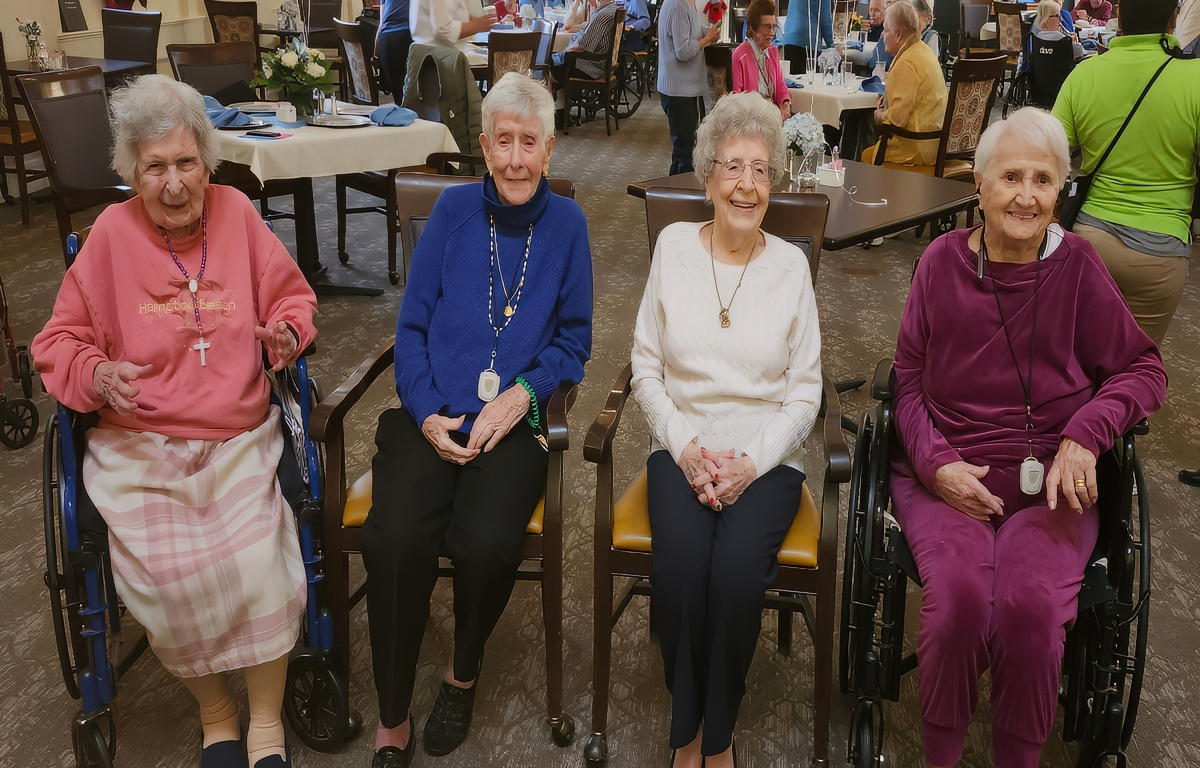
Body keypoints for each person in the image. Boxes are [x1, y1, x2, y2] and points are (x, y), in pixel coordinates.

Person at [32, 75, 317, 768]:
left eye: (185, 162)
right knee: (163, 577)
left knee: (259, 563)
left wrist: (284, 334)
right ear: (132, 169)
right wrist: (97, 374)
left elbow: (296, 302)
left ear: (206, 160)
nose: (172, 182)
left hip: (237, 433)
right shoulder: (108, 239)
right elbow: (56, 343)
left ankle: (266, 725)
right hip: (140, 443)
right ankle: (218, 713)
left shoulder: (240, 217)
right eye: (154, 166)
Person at [890, 107, 1166, 768]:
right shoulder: (939, 263)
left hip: (1052, 482)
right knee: (955, 605)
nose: (1026, 194)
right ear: (978, 185)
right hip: (950, 471)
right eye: (1010, 176)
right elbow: (904, 383)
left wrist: (1084, 435)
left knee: (1032, 614)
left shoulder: (1078, 266)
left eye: (1043, 179)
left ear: (1058, 193)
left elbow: (1144, 368)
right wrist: (938, 467)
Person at [362, 72, 592, 768]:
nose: (516, 158)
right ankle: (394, 709)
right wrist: (428, 410)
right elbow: (410, 327)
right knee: (396, 537)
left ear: (548, 149)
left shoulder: (569, 226)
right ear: (484, 147)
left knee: (488, 540)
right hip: (430, 412)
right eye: (503, 142)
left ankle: (462, 673)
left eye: (530, 142)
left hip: (510, 421)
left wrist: (523, 394)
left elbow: (574, 340)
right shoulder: (453, 213)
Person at [631, 92, 822, 768]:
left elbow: (806, 391)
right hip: (681, 444)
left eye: (762, 170)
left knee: (737, 576)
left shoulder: (791, 267)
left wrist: (751, 460)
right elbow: (645, 367)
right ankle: (688, 731)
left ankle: (720, 733)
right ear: (708, 175)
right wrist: (684, 448)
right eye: (734, 167)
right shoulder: (674, 247)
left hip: (766, 457)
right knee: (682, 572)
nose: (748, 184)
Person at [1052, 0, 1199, 347]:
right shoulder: (1195, 79)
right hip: (1160, 253)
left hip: (1090, 242)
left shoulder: (1084, 74)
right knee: (1135, 373)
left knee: (1077, 360)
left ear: (1118, 15)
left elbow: (1046, 155)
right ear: (1172, 19)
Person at [860, 1, 946, 170]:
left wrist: (879, 116)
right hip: (932, 144)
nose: (882, 35)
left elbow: (897, 120)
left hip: (915, 149)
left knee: (865, 155)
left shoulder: (907, 62)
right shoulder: (922, 50)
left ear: (898, 34)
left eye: (886, 30)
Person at [658, 0, 722, 174]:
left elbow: (688, 32)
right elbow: (683, 51)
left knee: (682, 150)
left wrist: (706, 32)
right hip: (678, 89)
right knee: (685, 153)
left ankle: (673, 194)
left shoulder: (685, 3)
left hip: (682, 88)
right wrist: (705, 40)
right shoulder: (678, 5)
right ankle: (679, 196)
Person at [732, 0, 792, 119]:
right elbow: (736, 98)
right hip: (751, 118)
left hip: (773, 116)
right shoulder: (739, 55)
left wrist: (785, 103)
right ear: (753, 27)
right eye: (766, 27)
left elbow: (780, 85)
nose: (771, 33)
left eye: (774, 27)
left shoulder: (772, 51)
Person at [549, 0, 620, 84]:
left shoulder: (602, 15)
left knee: (545, 66)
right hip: (603, 65)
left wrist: (563, 53)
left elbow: (583, 47)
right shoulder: (612, 9)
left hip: (590, 68)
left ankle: (549, 95)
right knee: (553, 58)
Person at [409, 0, 498, 53]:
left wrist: (482, 22)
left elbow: (455, 12)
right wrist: (477, 25)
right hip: (436, 57)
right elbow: (443, 28)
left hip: (443, 53)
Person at [782, 0, 833, 74]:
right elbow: (825, 20)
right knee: (810, 81)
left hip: (789, 38)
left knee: (793, 81)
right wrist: (831, 47)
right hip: (809, 39)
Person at [376, 0, 414, 96]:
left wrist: (376, 52)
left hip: (387, 40)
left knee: (399, 95)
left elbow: (381, 24)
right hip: (410, 37)